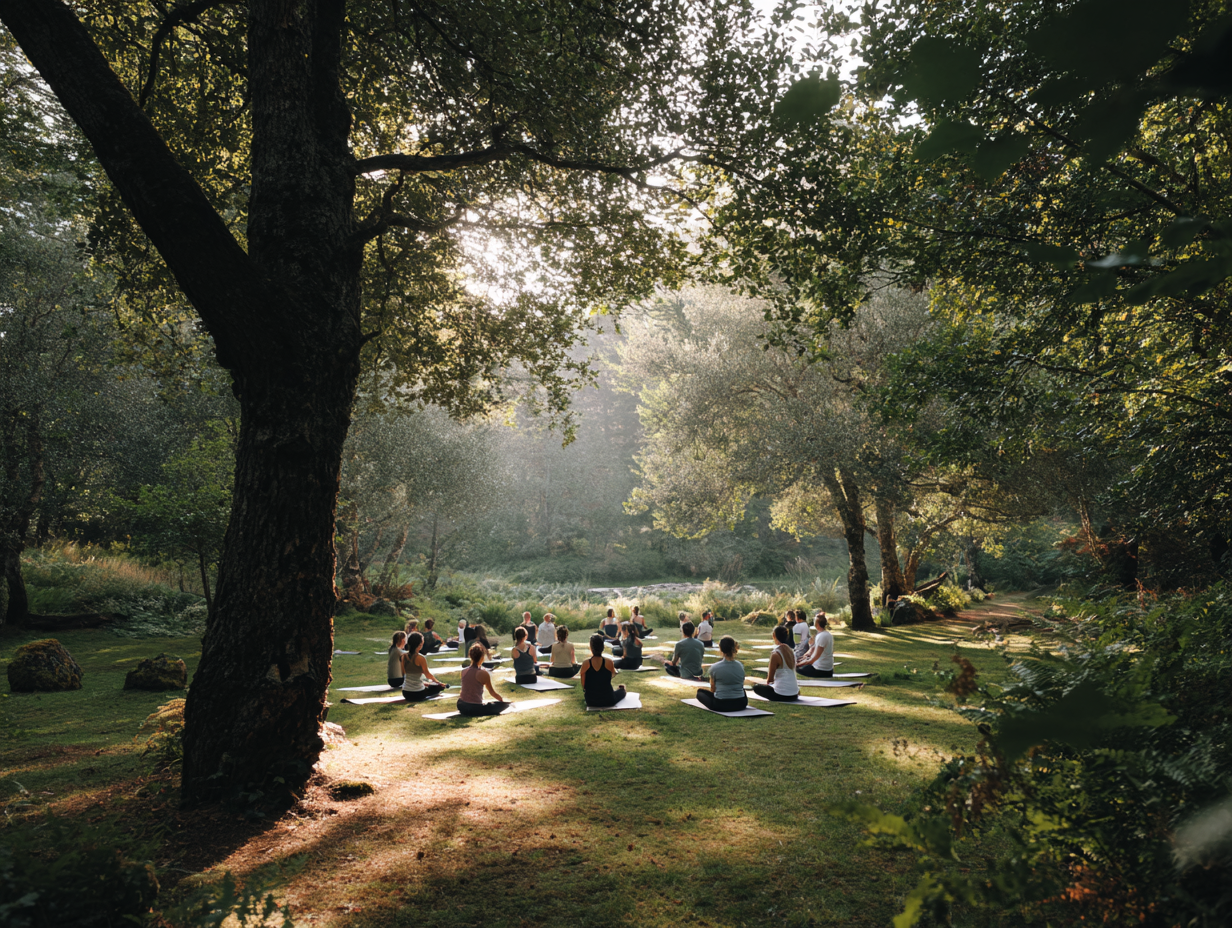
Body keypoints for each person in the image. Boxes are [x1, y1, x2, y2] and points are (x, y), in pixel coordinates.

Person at [697, 635, 748, 712]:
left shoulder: (714, 668)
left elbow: (713, 689)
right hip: (741, 703)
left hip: (721, 704)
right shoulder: (740, 666)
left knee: (700, 693)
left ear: (720, 649)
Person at [456, 643, 510, 716]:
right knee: (498, 706)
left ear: (470, 656)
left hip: (461, 705)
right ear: (482, 657)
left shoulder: (463, 671)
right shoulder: (483, 674)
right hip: (475, 708)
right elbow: (492, 692)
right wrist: (502, 701)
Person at [752, 625, 800, 701]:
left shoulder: (775, 654)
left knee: (756, 687)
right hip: (794, 694)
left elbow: (770, 679)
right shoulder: (791, 652)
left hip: (781, 694)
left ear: (774, 636)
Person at [580, 635, 627, 708]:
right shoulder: (609, 662)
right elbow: (612, 675)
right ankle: (621, 689)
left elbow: (583, 685)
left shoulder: (586, 663)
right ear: (602, 647)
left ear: (591, 648)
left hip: (591, 700)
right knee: (622, 691)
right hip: (608, 699)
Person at [401, 632, 447, 702]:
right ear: (420, 644)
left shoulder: (403, 656)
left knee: (428, 684)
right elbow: (427, 675)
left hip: (405, 692)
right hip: (418, 693)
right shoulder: (421, 658)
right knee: (438, 687)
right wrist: (438, 683)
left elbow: (404, 673)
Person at [797, 613, 835, 678]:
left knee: (797, 670)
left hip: (821, 670)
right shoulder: (827, 634)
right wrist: (804, 656)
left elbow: (814, 659)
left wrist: (798, 664)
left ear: (817, 624)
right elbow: (813, 648)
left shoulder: (821, 636)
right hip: (828, 670)